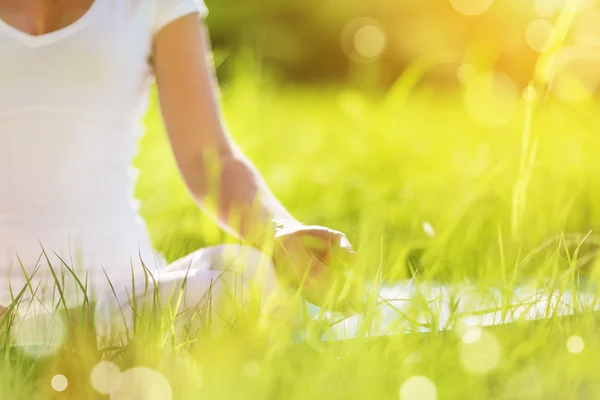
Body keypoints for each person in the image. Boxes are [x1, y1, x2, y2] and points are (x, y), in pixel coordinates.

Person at [0, 0, 357, 341]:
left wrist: (280, 233)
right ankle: (56, 340)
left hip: (123, 298)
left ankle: (51, 338)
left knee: (249, 280)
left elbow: (210, 157)